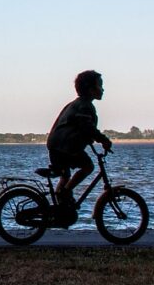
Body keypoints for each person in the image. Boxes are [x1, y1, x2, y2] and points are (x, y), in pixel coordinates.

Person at [46, 70, 113, 206]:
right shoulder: (85, 106)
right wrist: (104, 140)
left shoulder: (75, 104)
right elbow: (87, 127)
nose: (103, 89)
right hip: (66, 148)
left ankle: (61, 208)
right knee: (88, 167)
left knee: (65, 176)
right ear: (90, 89)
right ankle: (65, 194)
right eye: (100, 85)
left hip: (56, 146)